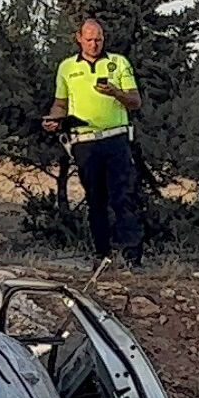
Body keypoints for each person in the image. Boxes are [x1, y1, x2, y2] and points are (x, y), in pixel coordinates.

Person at [50, 17, 146, 269]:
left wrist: (116, 92)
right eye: (90, 39)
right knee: (95, 199)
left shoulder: (118, 63)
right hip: (85, 141)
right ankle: (102, 255)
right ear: (79, 38)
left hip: (116, 138)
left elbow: (136, 102)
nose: (94, 44)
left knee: (123, 196)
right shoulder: (67, 68)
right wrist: (53, 120)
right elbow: (61, 103)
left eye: (99, 39)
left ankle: (132, 257)